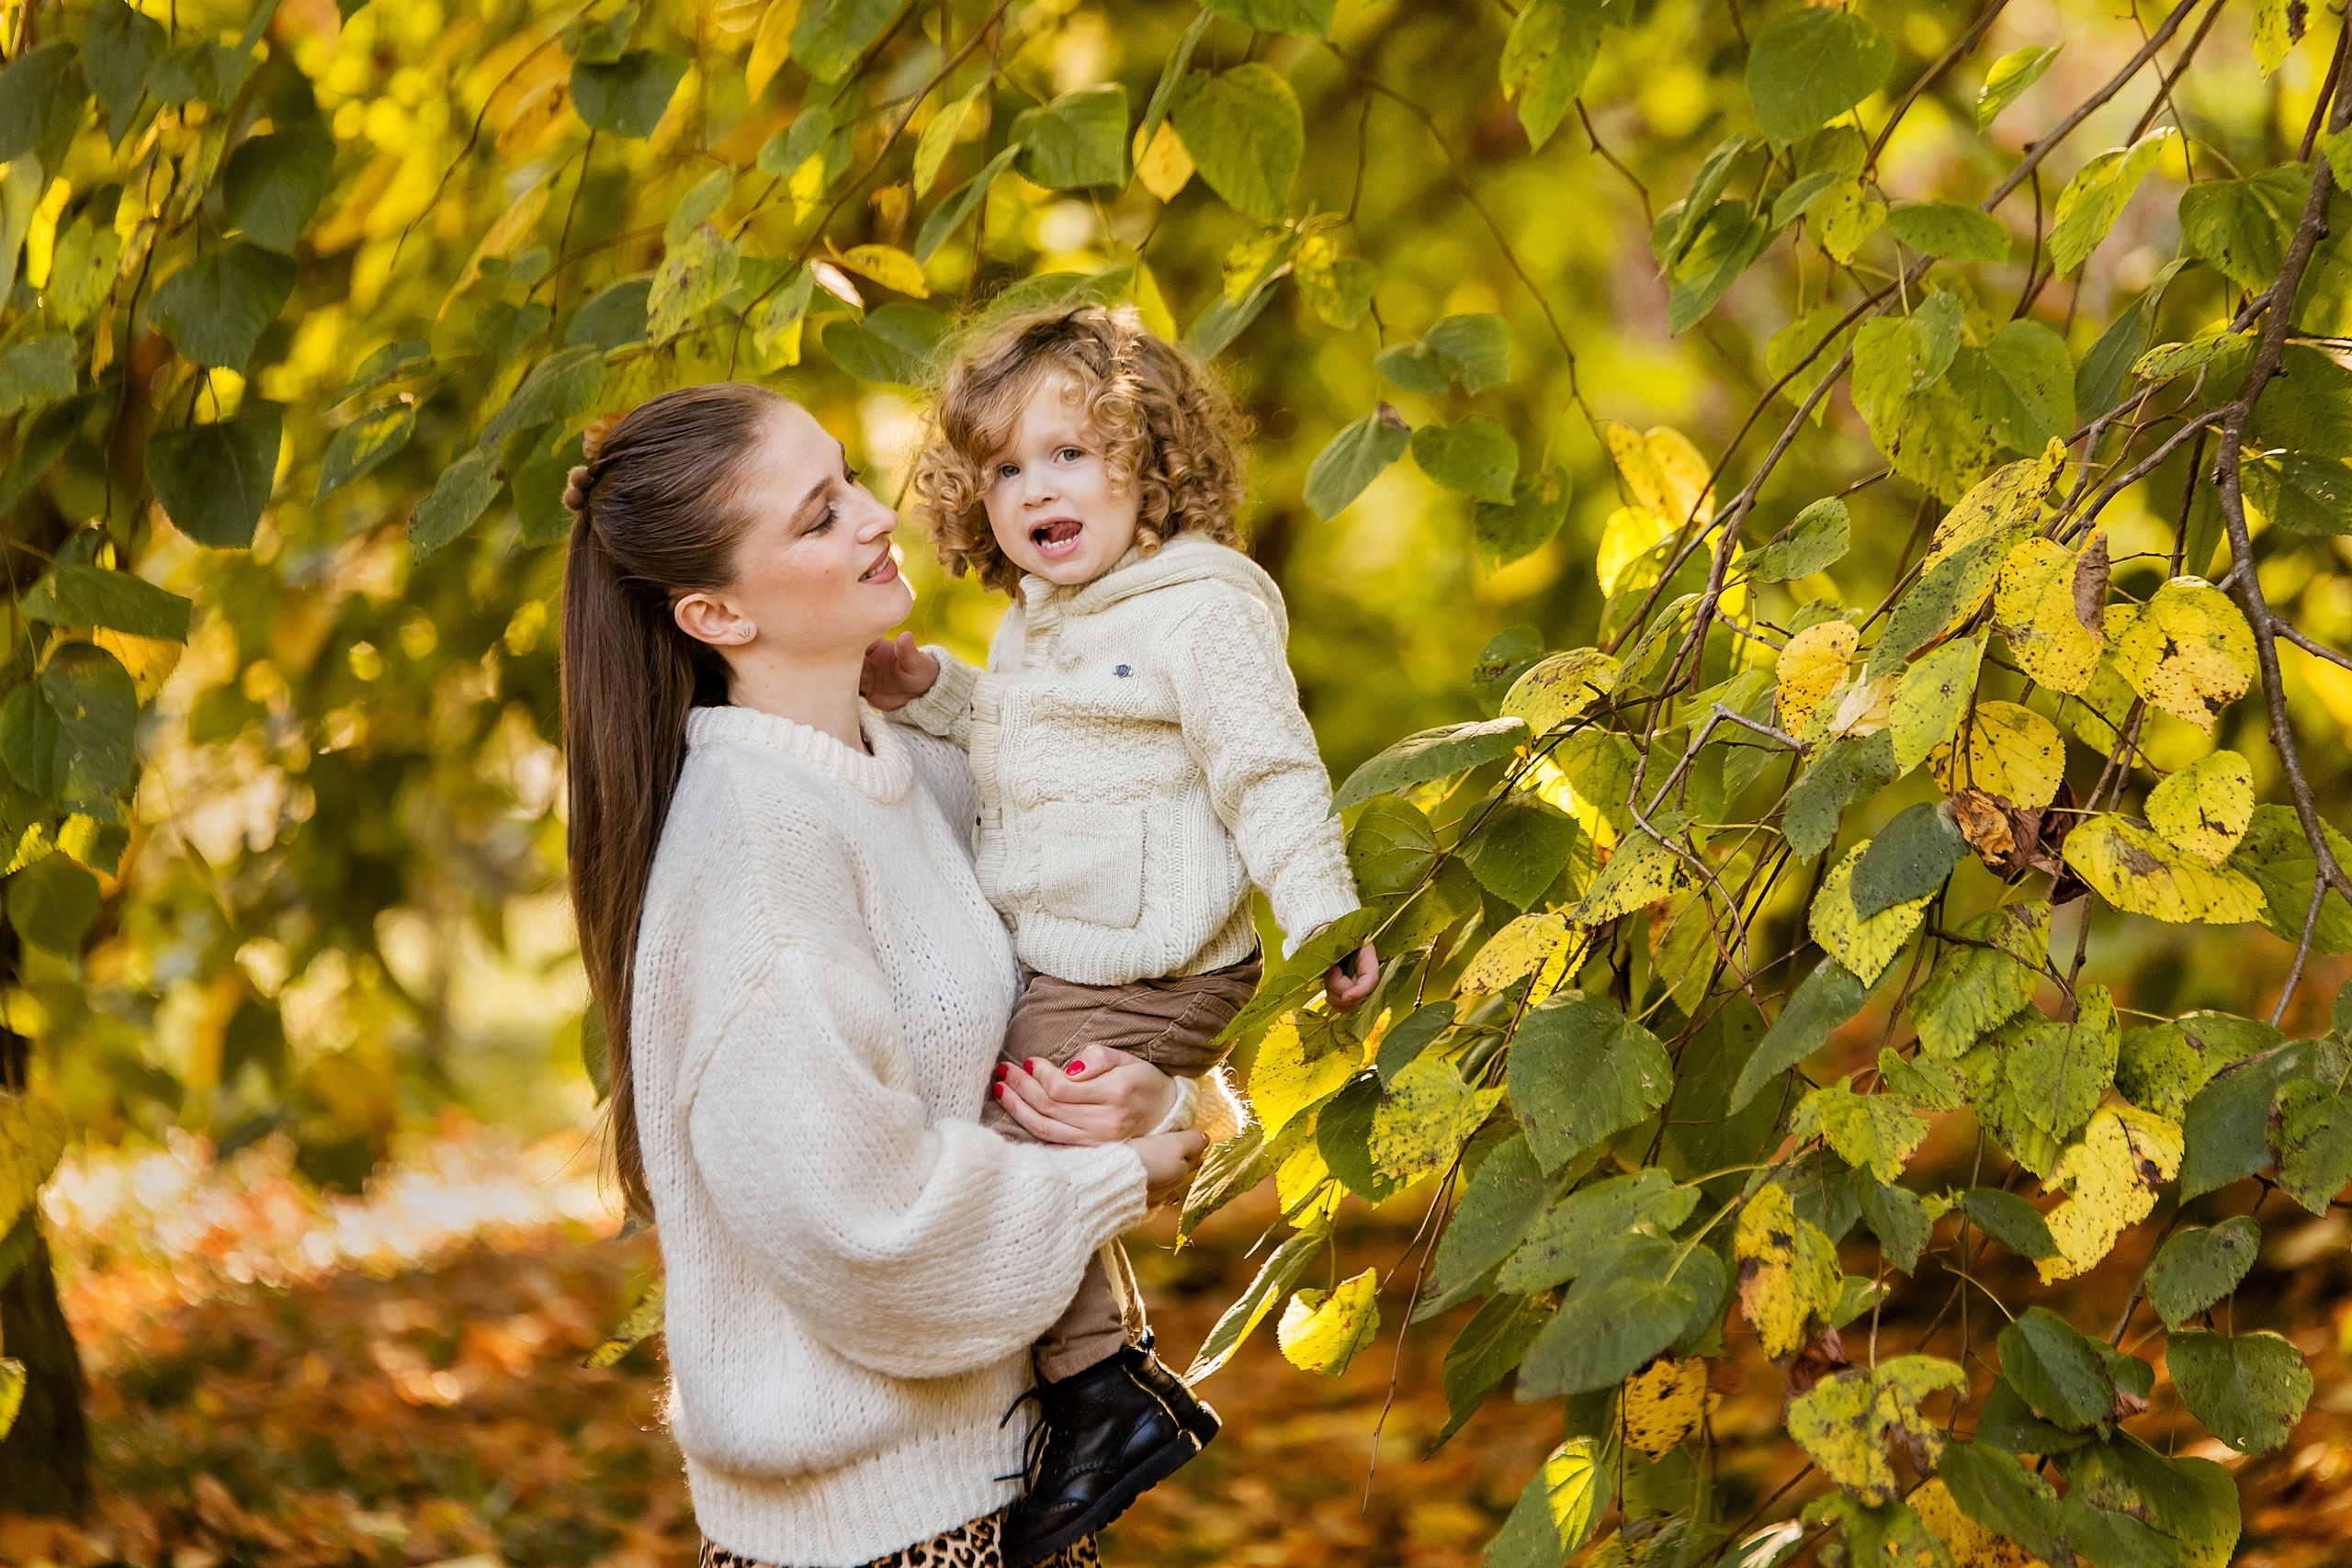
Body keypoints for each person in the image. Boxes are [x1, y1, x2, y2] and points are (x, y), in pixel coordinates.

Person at [560, 381, 1209, 1568]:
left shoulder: (928, 772)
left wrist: (1161, 1100)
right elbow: (867, 1233)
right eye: (816, 517)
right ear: (714, 615)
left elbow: (1119, 974)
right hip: (875, 1535)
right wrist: (1116, 1177)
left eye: (850, 477)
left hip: (1019, 1474)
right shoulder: (752, 856)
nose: (871, 516)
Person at [863, 305, 1379, 1565]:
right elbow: (1039, 739)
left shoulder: (1202, 612)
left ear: (1151, 462)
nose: (1036, 488)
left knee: (999, 1153)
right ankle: (1109, 1388)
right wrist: (937, 692)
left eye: (1071, 454)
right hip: (1078, 953)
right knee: (1010, 1142)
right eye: (1004, 468)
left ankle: (1104, 1394)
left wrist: (1324, 916)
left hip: (1155, 960)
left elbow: (1269, 771)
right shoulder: (1040, 618)